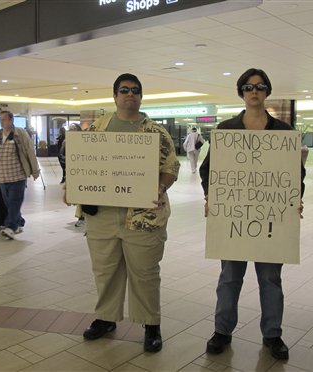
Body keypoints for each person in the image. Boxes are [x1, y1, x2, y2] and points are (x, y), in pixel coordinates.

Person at [199, 68, 306, 360]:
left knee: (270, 279)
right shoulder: (225, 130)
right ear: (241, 93)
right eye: (248, 87)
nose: (253, 91)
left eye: (259, 86)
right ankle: (222, 331)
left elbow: (296, 174)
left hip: (271, 219)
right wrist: (213, 195)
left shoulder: (284, 132)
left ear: (267, 91)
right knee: (229, 278)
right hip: (233, 219)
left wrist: (295, 200)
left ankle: (272, 335)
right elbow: (208, 169)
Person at [70, 73, 180, 353]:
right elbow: (83, 164)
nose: (129, 94)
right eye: (124, 90)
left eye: (135, 90)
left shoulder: (154, 132)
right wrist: (74, 187)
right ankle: (106, 318)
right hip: (103, 217)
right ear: (115, 96)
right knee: (105, 271)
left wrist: (159, 186)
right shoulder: (97, 129)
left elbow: (171, 168)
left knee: (145, 273)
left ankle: (150, 324)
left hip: (143, 217)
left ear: (141, 97)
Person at [0, 110, 40, 240]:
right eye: (0, 120)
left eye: (4, 119)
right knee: (9, 203)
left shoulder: (20, 134)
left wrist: (35, 170)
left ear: (11, 120)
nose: (1, 122)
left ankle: (11, 227)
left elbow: (29, 151)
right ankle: (18, 222)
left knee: (14, 202)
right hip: (2, 177)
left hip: (17, 176)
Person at [60, 123, 86, 227]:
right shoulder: (66, 142)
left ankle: (82, 216)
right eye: (71, 129)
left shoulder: (84, 140)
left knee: (82, 195)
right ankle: (82, 216)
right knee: (77, 195)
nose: (73, 130)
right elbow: (62, 155)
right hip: (72, 171)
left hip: (84, 171)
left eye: (75, 128)